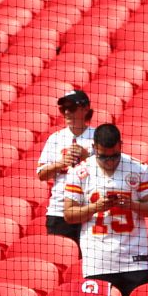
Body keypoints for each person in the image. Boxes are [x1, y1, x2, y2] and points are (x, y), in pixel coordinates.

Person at [63, 124, 148, 296]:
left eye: (114, 156)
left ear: (120, 145)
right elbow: (69, 215)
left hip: (135, 260)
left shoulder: (139, 169)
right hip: (98, 261)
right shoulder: (79, 173)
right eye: (103, 157)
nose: (109, 161)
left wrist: (132, 205)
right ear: (94, 148)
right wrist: (95, 207)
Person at [37, 89, 96, 242]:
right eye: (63, 109)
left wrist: (87, 157)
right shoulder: (55, 138)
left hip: (91, 211)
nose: (67, 112)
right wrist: (60, 164)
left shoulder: (98, 137)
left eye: (72, 108)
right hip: (59, 211)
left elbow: (112, 168)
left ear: (85, 109)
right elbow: (41, 174)